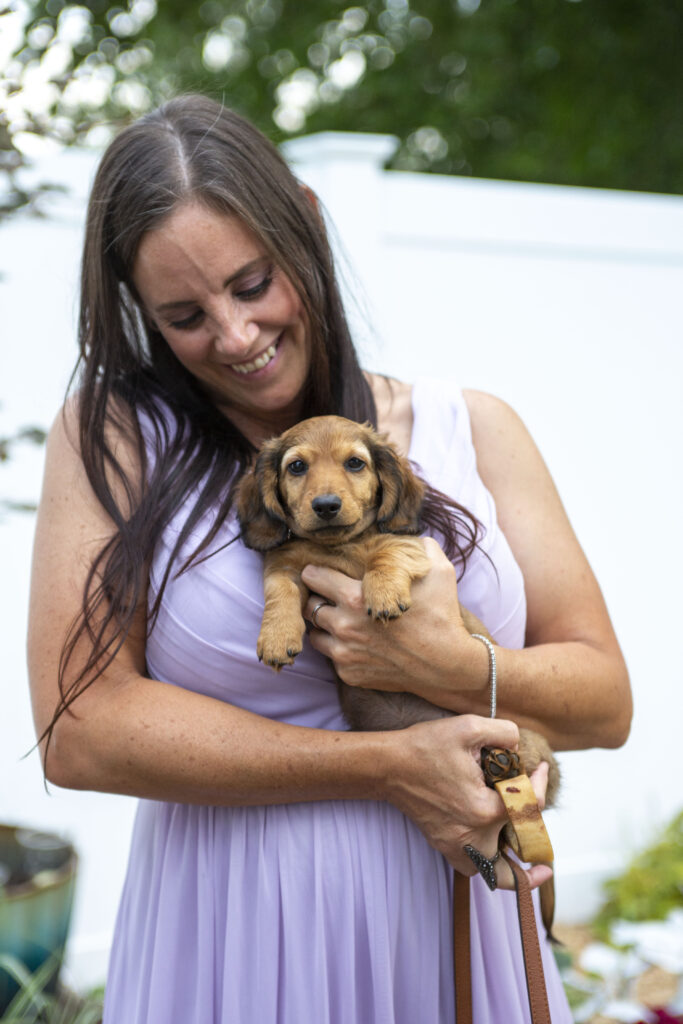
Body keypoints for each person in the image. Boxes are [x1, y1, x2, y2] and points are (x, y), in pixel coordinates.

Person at [27, 95, 631, 1024]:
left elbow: (603, 702)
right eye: (184, 315)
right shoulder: (118, 435)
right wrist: (390, 766)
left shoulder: (472, 427)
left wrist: (449, 666)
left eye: (253, 282)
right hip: (235, 929)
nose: (234, 338)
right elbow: (80, 732)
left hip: (452, 920)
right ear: (137, 310)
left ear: (305, 226)